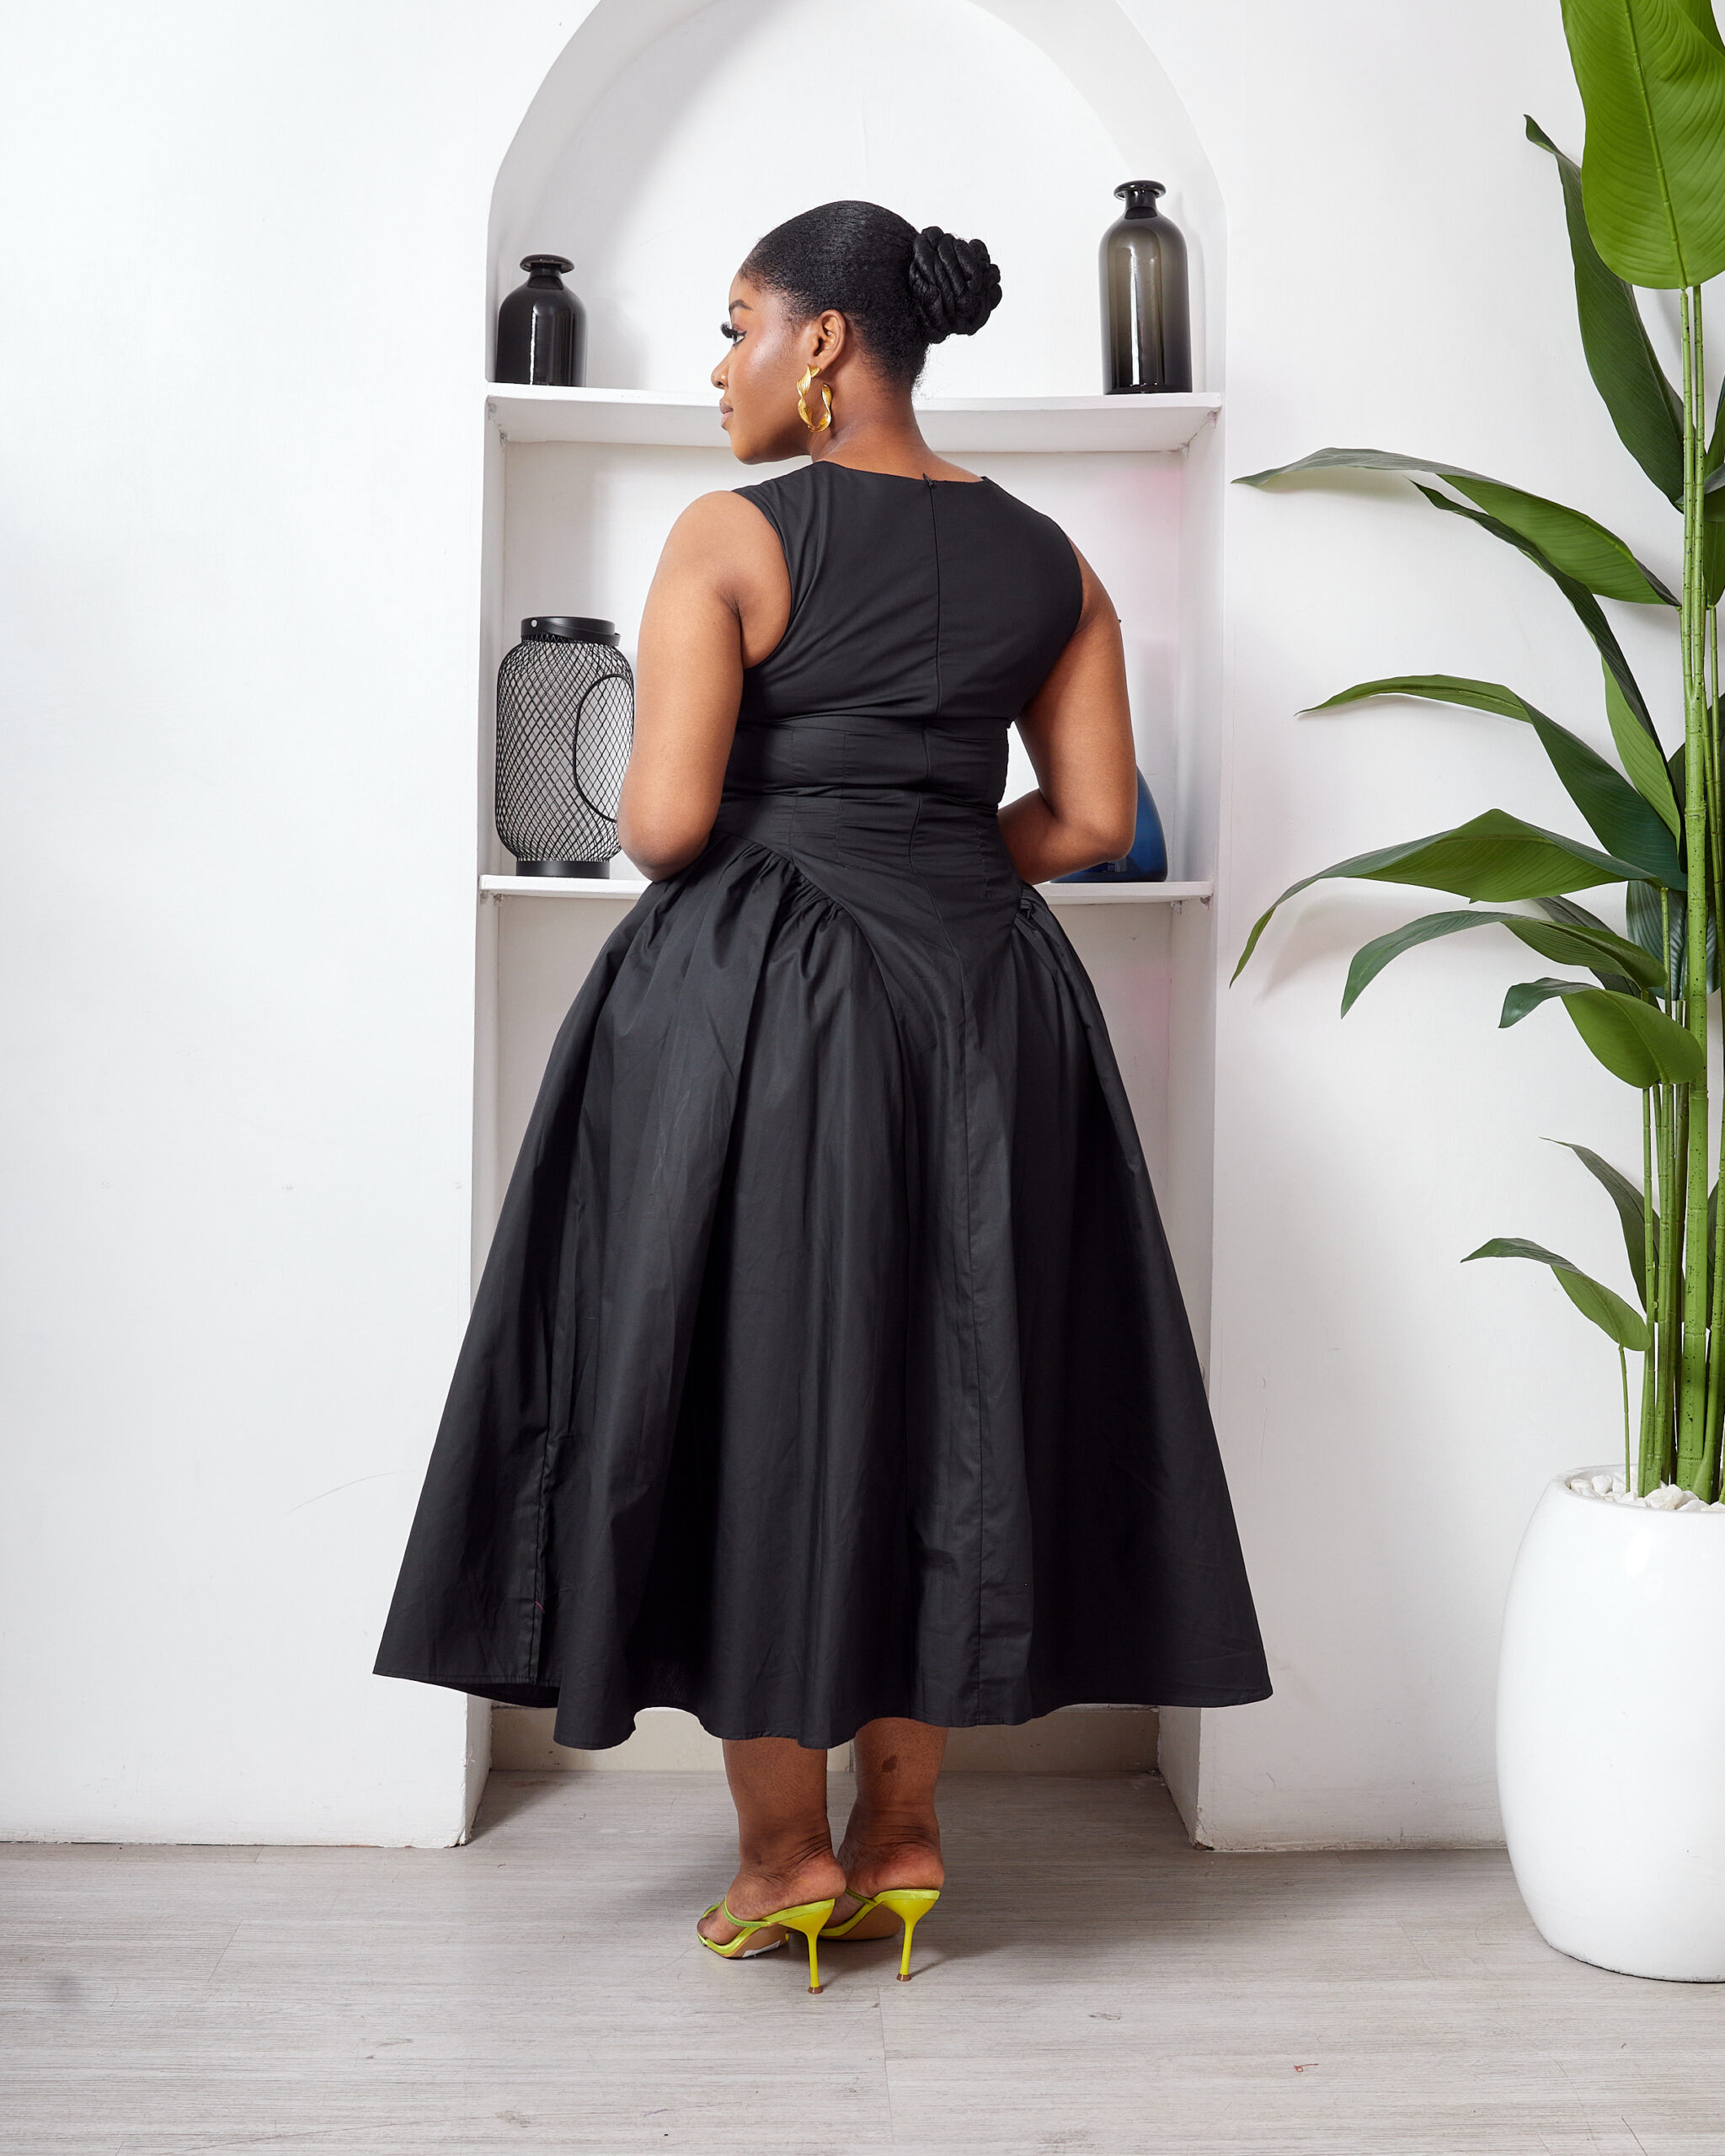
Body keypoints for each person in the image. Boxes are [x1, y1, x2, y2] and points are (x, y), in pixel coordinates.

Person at [373, 200, 1270, 1993]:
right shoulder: (1055, 560)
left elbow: (661, 824)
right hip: (988, 1005)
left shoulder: (730, 536)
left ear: (826, 345)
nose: (719, 368)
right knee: (952, 1384)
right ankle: (905, 1834)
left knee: (761, 1394)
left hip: (764, 1009)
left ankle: (785, 1856)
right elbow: (1092, 820)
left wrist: (811, 846)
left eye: (736, 327)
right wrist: (935, 855)